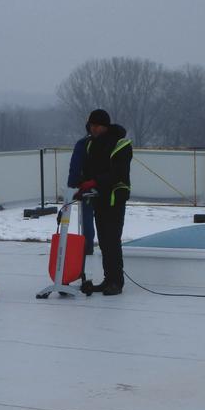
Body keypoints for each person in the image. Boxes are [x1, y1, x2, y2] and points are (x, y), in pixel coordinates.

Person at [75, 109, 131, 296]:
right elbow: (89, 170)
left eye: (97, 125)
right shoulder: (92, 145)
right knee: (104, 241)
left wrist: (95, 181)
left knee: (112, 240)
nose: (94, 129)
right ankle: (108, 279)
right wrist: (83, 185)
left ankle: (117, 281)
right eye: (91, 125)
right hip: (99, 198)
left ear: (105, 126)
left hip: (115, 198)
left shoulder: (120, 144)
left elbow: (118, 173)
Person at [67, 121, 95, 255]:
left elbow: (75, 166)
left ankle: (88, 246)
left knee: (87, 217)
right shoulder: (108, 143)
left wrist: (72, 185)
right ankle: (109, 247)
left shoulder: (82, 143)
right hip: (104, 187)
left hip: (87, 188)